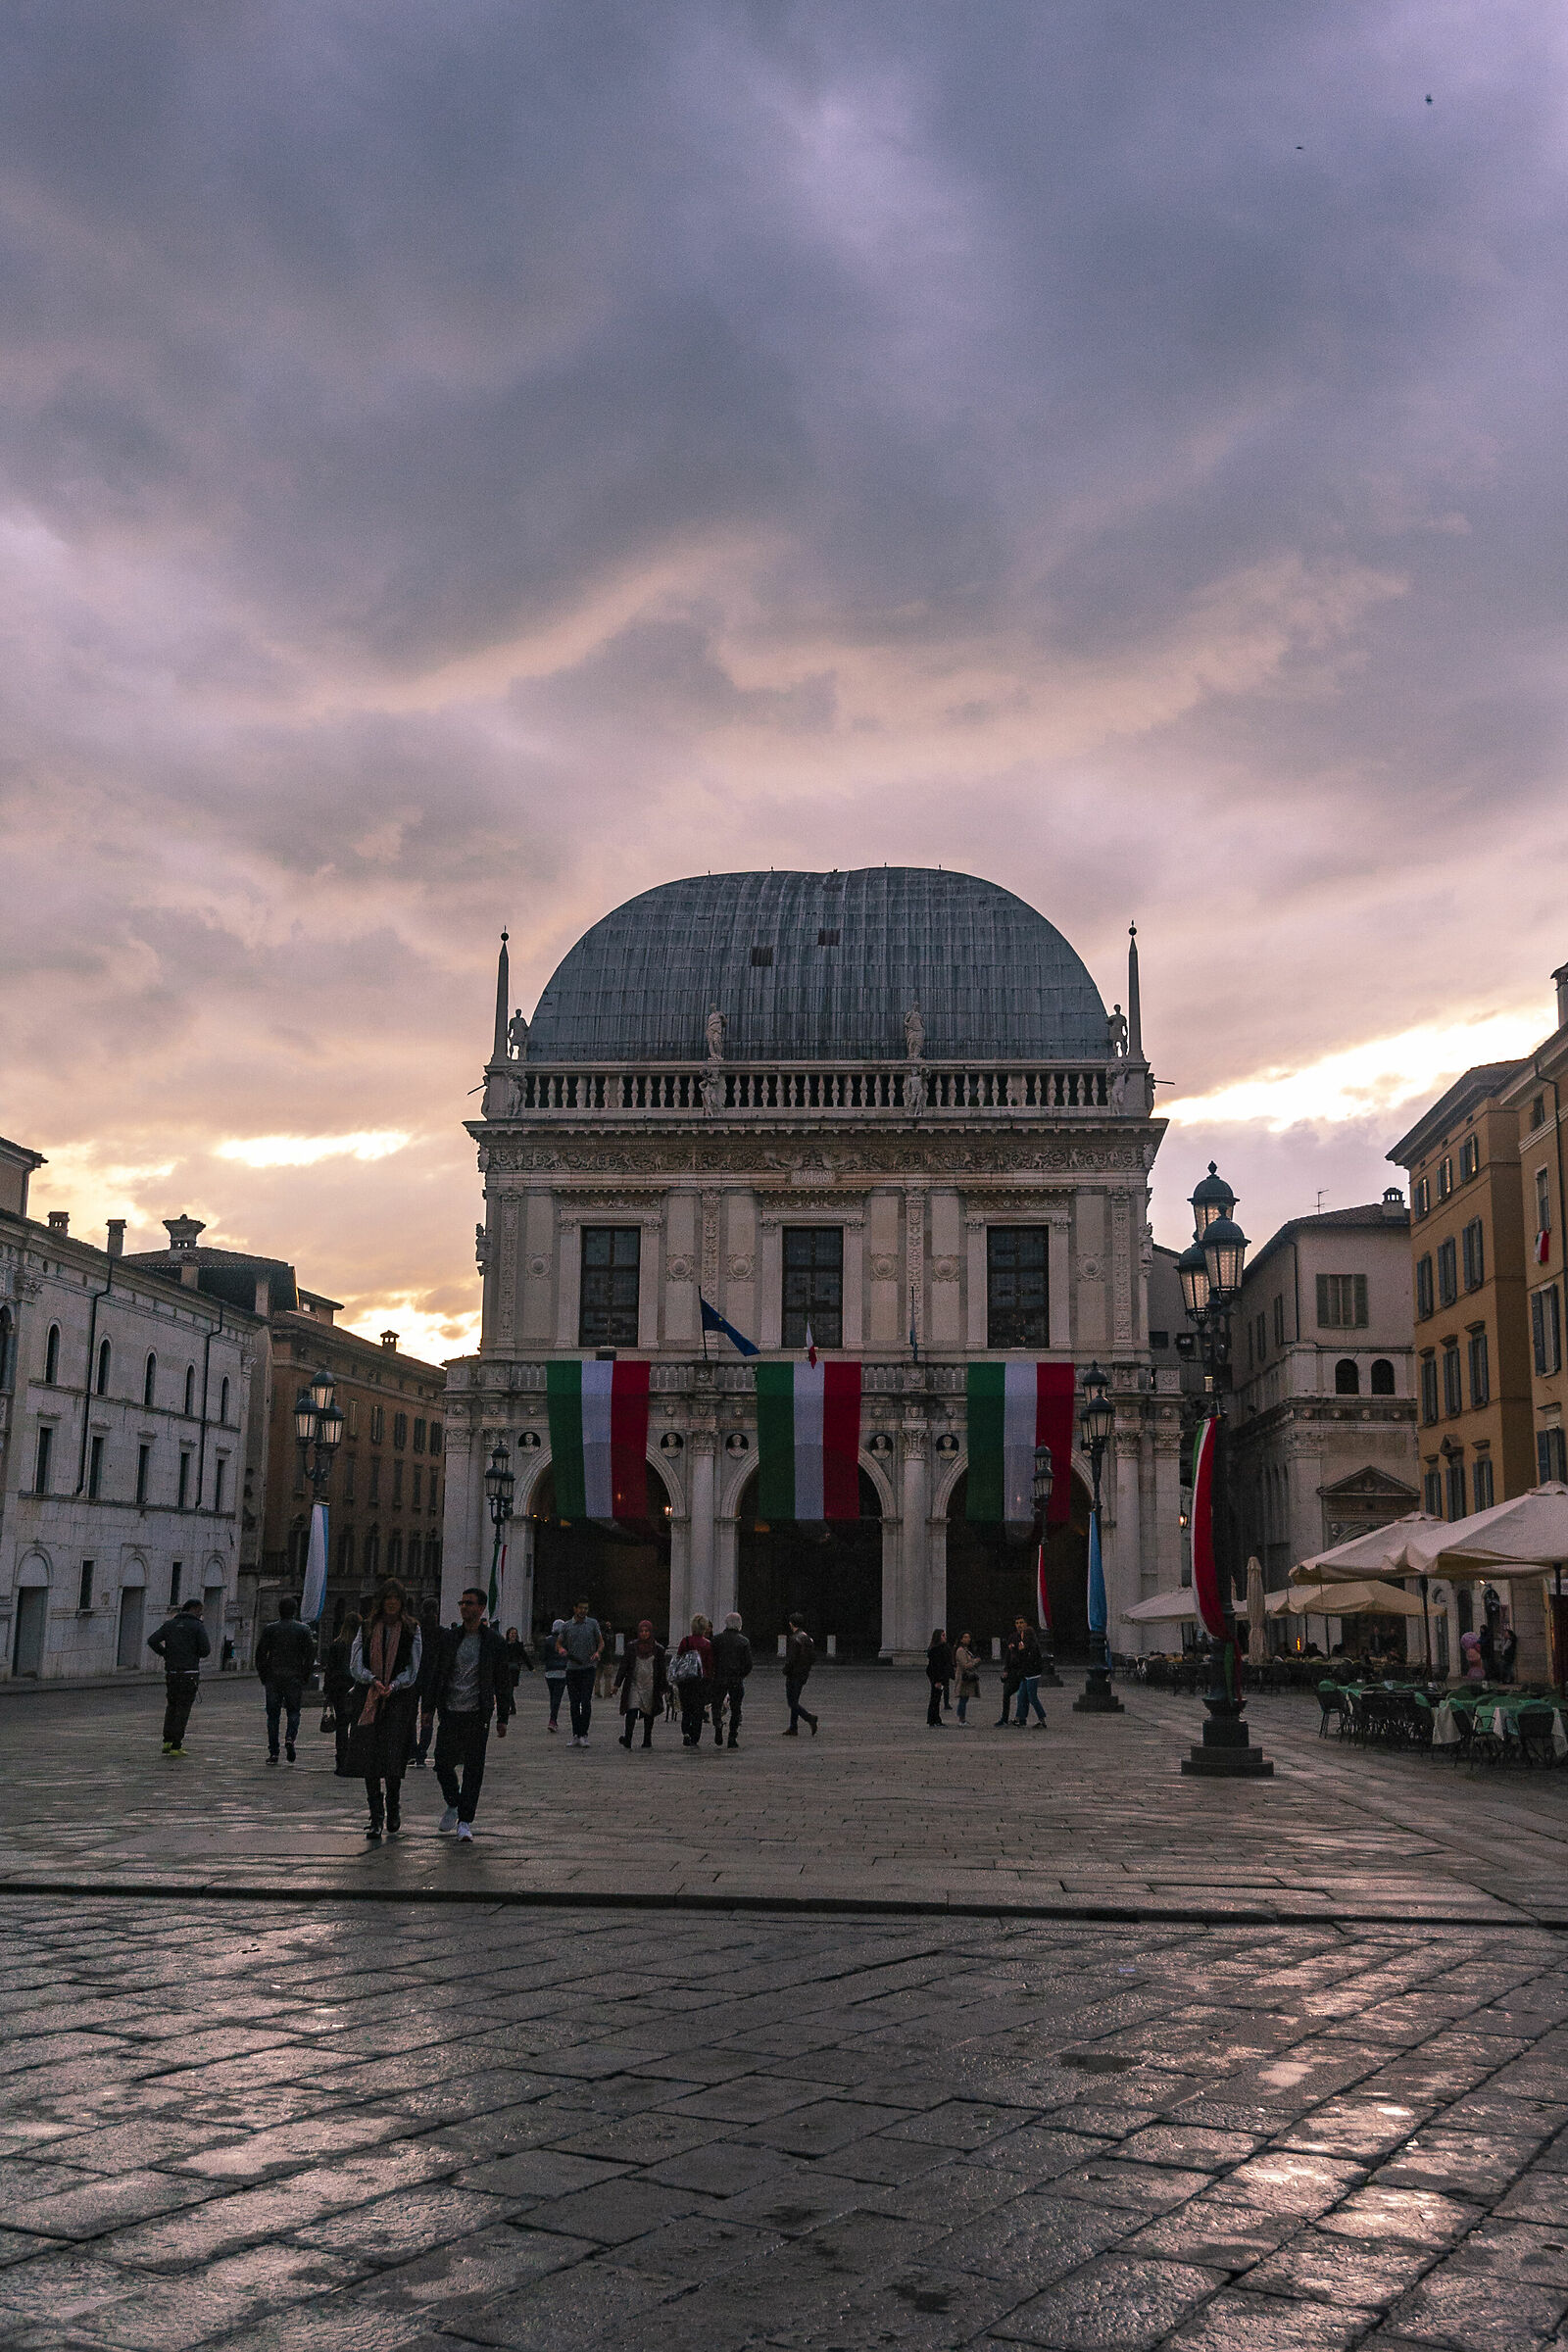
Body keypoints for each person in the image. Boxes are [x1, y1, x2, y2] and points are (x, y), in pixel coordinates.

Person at [431, 1588, 515, 1841]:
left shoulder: (493, 1642)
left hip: (477, 1714)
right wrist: (428, 1709)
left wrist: (502, 1717)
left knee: (473, 1769)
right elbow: (438, 1673)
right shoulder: (449, 1638)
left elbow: (502, 1681)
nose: (464, 1607)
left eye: (469, 1603)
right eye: (462, 1603)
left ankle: (465, 1820)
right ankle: (453, 1801)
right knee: (442, 1762)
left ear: (481, 1608)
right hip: (450, 1710)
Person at [346, 1579, 422, 1839]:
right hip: (369, 1698)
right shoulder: (367, 1628)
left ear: (401, 1602)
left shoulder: (412, 1629)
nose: (391, 1602)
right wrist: (373, 1680)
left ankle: (393, 1807)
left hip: (397, 1700)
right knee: (370, 1760)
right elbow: (355, 1663)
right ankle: (375, 1816)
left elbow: (413, 1667)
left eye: (396, 1598)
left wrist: (395, 1684)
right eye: (387, 1597)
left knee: (392, 1758)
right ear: (381, 1601)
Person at [255, 1596, 317, 1764]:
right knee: (294, 1712)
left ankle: (274, 1752)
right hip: (294, 1677)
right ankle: (290, 1737)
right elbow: (310, 1655)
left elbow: (260, 1654)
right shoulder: (303, 1630)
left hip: (273, 1677)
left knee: (273, 1715)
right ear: (294, 1611)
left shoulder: (270, 1629)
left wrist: (264, 1675)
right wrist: (305, 1675)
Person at [147, 1596, 210, 1754]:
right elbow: (205, 1650)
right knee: (183, 1708)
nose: (201, 1615)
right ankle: (176, 1744)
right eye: (200, 1612)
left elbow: (152, 1640)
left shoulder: (170, 1625)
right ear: (195, 1609)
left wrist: (166, 1654)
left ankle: (167, 1741)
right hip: (189, 1672)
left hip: (172, 1672)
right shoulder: (197, 1626)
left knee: (172, 1705)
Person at [615, 1619, 668, 1747]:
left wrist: (664, 1688)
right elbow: (624, 1667)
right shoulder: (632, 1647)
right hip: (634, 1683)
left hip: (651, 1685)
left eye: (646, 1631)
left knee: (648, 1712)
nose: (644, 1634)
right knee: (632, 1710)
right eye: (642, 1631)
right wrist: (616, 1684)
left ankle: (647, 1739)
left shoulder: (658, 1649)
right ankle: (628, 1738)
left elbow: (661, 1670)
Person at [562, 1598, 603, 1744]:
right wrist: (561, 1649)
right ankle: (575, 1734)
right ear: (575, 1609)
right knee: (574, 1703)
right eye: (581, 1608)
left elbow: (601, 1641)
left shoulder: (592, 1624)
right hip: (572, 1669)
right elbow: (559, 1642)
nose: (583, 1611)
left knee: (586, 1701)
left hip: (588, 1668)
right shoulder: (566, 1626)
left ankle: (584, 1734)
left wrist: (598, 1652)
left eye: (586, 1608)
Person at [710, 1610, 753, 1748]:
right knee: (736, 1708)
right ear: (739, 1625)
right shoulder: (744, 1641)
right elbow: (748, 1664)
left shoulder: (716, 1640)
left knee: (716, 1705)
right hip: (735, 1679)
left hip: (719, 1678)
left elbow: (711, 1660)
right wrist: (741, 1675)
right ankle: (732, 1737)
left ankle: (718, 1724)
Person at [323, 1611, 360, 1776]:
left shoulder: (337, 1644)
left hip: (339, 1689)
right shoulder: (361, 1645)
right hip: (357, 1688)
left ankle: (341, 1760)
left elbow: (330, 1670)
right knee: (356, 1725)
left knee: (341, 1725)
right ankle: (354, 1760)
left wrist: (327, 1691)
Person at [671, 1615, 714, 1748]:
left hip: (686, 1680)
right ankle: (695, 1737)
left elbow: (678, 1658)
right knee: (698, 1709)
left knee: (687, 1709)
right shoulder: (707, 1644)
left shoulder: (686, 1641)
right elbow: (710, 1665)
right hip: (701, 1681)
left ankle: (685, 1732)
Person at [411, 1596, 443, 1768]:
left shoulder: (416, 1630)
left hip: (414, 1678)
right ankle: (421, 1754)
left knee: (410, 1716)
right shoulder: (440, 1633)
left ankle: (412, 1750)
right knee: (427, 1718)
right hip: (431, 1679)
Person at [783, 1613, 818, 1736]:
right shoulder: (808, 1638)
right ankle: (793, 1726)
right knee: (795, 1700)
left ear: (791, 1623)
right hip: (803, 1673)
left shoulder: (794, 1639)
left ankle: (809, 1718)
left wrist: (786, 1670)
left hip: (794, 1674)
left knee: (791, 1702)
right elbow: (813, 1657)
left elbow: (791, 1659)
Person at [1010, 1617, 1047, 1727]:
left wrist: (1020, 1651)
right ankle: (1019, 1718)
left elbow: (1027, 1660)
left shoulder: (1032, 1647)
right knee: (1021, 1696)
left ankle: (1042, 1719)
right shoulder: (1028, 1645)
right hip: (1026, 1674)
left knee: (1032, 1697)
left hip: (1031, 1674)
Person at [539, 1617, 568, 1731]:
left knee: (553, 1696)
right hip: (562, 1672)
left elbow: (542, 1657)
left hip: (550, 1672)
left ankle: (553, 1718)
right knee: (557, 1696)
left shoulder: (547, 1640)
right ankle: (553, 1719)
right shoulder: (566, 1641)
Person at [925, 1629, 953, 1728]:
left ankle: (934, 1719)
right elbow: (935, 1666)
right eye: (943, 1635)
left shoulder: (942, 1648)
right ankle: (934, 1719)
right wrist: (937, 1680)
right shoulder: (936, 1650)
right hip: (937, 1677)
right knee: (935, 1699)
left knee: (936, 1698)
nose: (945, 1637)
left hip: (941, 1676)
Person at [953, 1630, 981, 1725]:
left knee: (965, 1698)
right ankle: (961, 1719)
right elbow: (965, 1665)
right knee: (963, 1698)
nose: (968, 1639)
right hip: (963, 1678)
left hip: (966, 1678)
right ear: (961, 1639)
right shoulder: (960, 1651)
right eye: (965, 1637)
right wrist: (975, 1661)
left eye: (968, 1637)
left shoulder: (967, 1650)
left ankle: (962, 1718)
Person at [595, 1617, 618, 1701]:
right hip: (607, 1658)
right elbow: (612, 1644)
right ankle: (607, 1693)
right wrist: (610, 1629)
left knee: (597, 1676)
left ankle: (597, 1692)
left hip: (598, 1657)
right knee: (608, 1677)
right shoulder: (609, 1635)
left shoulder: (597, 1635)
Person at [504, 1627, 533, 1695]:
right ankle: (511, 1704)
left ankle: (511, 1703)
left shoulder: (518, 1645)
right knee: (508, 1686)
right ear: (508, 1634)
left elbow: (524, 1656)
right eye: (512, 1633)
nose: (513, 1635)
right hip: (506, 1668)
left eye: (515, 1633)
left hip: (515, 1668)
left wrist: (530, 1667)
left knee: (511, 1686)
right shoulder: (504, 1644)